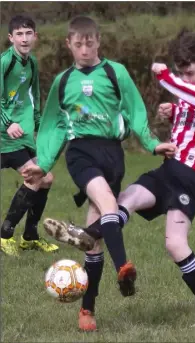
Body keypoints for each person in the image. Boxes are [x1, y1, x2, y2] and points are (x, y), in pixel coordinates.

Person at [43, 30, 195, 326]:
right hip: (167, 170)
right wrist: (171, 112)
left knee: (175, 244)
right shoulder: (189, 91)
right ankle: (88, 234)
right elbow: (192, 113)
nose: (187, 79)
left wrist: (169, 79)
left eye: (191, 73)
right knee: (123, 202)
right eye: (183, 74)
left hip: (191, 179)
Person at [22, 16, 177, 331]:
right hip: (81, 153)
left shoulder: (115, 72)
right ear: (69, 44)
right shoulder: (63, 81)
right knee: (108, 203)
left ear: (98, 42)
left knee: (94, 242)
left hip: (113, 154)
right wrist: (45, 163)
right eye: (78, 44)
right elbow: (53, 125)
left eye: (89, 42)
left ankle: (87, 312)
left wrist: (151, 143)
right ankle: (124, 267)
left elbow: (134, 110)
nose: (84, 49)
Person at [1, 15, 59, 256]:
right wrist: (8, 123)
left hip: (24, 133)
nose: (24, 39)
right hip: (6, 134)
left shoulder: (32, 63)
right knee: (35, 178)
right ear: (11, 38)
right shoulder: (5, 62)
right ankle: (5, 236)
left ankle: (29, 237)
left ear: (35, 36)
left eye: (28, 34)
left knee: (46, 178)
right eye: (19, 34)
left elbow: (34, 99)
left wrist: (39, 127)